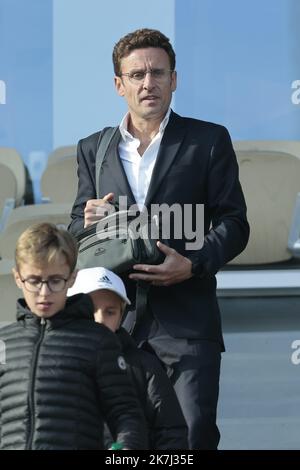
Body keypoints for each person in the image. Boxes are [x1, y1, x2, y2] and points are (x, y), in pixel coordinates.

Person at [69, 28, 250, 449]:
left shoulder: (208, 140)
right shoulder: (92, 149)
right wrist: (88, 221)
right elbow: (76, 229)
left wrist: (194, 262)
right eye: (136, 75)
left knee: (193, 436)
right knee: (120, 441)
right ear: (119, 84)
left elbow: (235, 223)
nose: (147, 83)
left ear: (174, 80)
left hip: (187, 321)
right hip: (113, 321)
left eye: (157, 72)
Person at [0, 223, 147, 450]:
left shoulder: (98, 341)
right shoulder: (3, 343)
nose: (44, 292)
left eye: (55, 281)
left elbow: (126, 415)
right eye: (34, 280)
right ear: (18, 278)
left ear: (71, 279)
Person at [68, 266, 189, 449]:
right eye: (90, 309)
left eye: (110, 312)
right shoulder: (52, 361)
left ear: (121, 316)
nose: (100, 320)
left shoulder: (145, 367)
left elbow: (171, 433)